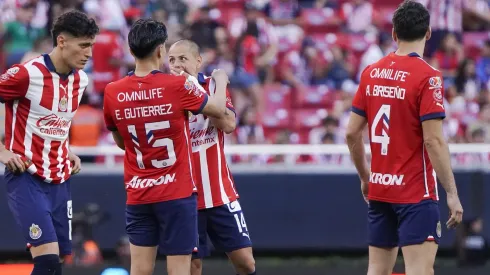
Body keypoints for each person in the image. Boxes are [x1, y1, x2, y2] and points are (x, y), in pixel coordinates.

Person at [345, 1, 464, 275]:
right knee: (420, 271)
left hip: (381, 189)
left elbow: (351, 132)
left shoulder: (371, 72)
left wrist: (366, 177)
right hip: (415, 193)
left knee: (377, 270)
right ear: (429, 33)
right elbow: (433, 141)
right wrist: (453, 194)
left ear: (394, 34)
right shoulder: (428, 77)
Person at [103, 19, 229, 275]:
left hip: (138, 193)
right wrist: (221, 80)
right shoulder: (176, 85)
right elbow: (218, 110)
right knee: (179, 270)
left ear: (131, 50)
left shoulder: (112, 91)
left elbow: (121, 142)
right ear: (161, 50)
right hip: (176, 193)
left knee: (139, 270)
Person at [0, 10, 99, 275]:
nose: (89, 53)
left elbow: (57, 123)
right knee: (47, 260)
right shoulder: (25, 75)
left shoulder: (81, 81)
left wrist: (68, 151)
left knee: (59, 262)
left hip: (60, 178)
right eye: (84, 45)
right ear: (62, 41)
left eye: (91, 45)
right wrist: (1, 150)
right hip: (26, 176)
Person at [168, 40, 256, 275]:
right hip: (185, 196)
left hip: (220, 192)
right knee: (193, 267)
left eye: (183, 59)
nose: (177, 65)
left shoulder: (212, 86)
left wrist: (205, 88)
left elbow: (227, 124)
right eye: (172, 60)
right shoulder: (166, 93)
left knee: (246, 263)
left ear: (198, 62)